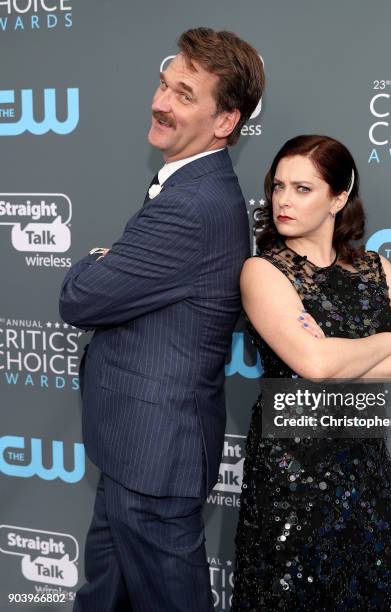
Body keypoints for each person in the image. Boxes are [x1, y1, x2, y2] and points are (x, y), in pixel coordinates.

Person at [59, 27, 264, 612]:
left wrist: (92, 260)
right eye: (163, 82)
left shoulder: (192, 205)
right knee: (102, 597)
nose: (160, 101)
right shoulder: (190, 187)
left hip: (153, 458)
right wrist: (106, 264)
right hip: (135, 452)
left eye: (184, 94)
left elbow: (79, 300)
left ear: (225, 122)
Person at [231, 134, 391, 610]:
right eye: (278, 186)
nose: (283, 200)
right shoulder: (263, 272)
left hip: (365, 477)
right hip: (291, 478)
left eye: (303, 189)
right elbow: (316, 364)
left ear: (338, 198)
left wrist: (342, 356)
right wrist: (389, 341)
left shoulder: (375, 268)